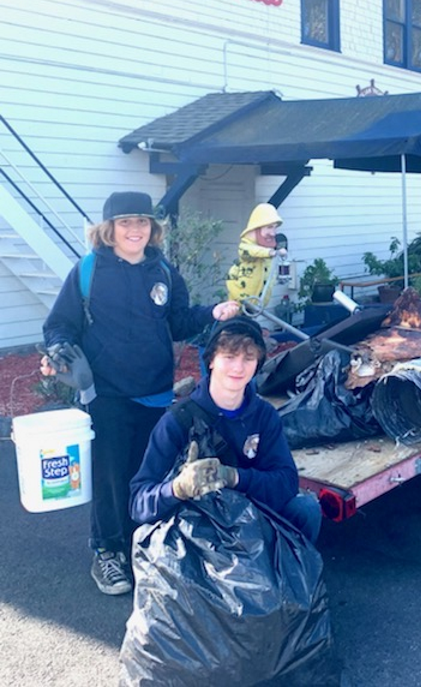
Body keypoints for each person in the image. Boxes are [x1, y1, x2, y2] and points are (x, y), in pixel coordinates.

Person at [41, 191, 241, 596]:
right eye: (126, 222)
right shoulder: (88, 270)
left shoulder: (163, 272)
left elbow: (180, 321)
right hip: (106, 394)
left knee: (147, 475)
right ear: (109, 229)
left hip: (154, 392)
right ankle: (108, 552)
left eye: (143, 222)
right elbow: (59, 325)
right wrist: (58, 347)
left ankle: (141, 544)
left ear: (153, 229)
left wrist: (212, 313)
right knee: (111, 475)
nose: (135, 230)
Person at [129, 316, 321, 544]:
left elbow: (286, 483)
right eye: (229, 357)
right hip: (200, 535)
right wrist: (177, 488)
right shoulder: (177, 421)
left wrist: (233, 477)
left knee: (306, 509)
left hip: (252, 521)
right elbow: (138, 503)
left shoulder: (264, 415)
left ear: (257, 364)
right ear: (210, 360)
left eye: (248, 358)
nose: (238, 367)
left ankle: (292, 577)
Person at [225, 203, 285, 305]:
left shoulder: (268, 251)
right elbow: (253, 251)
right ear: (257, 228)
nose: (273, 233)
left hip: (257, 303)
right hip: (241, 300)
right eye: (269, 227)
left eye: (275, 228)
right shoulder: (245, 247)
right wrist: (270, 252)